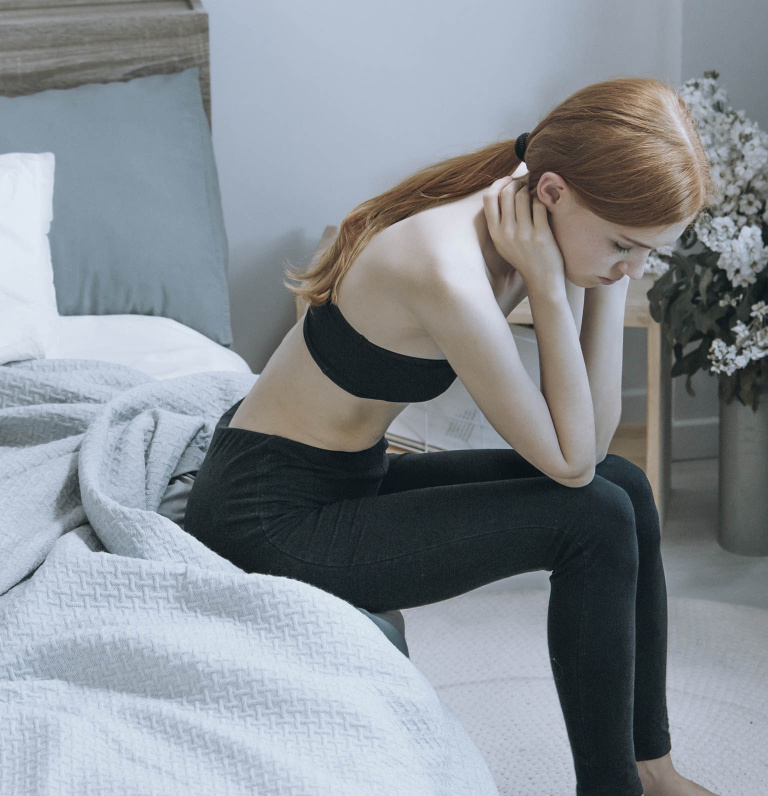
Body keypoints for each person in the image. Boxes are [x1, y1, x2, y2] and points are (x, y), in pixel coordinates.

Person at [184, 76, 721, 796]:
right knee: (590, 517)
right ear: (555, 192)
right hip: (270, 518)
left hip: (347, 480)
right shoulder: (450, 267)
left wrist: (609, 274)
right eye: (626, 244)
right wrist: (557, 289)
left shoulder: (529, 218)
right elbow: (570, 461)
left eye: (649, 252)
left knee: (624, 486)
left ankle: (651, 770)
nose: (633, 266)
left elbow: (594, 449)